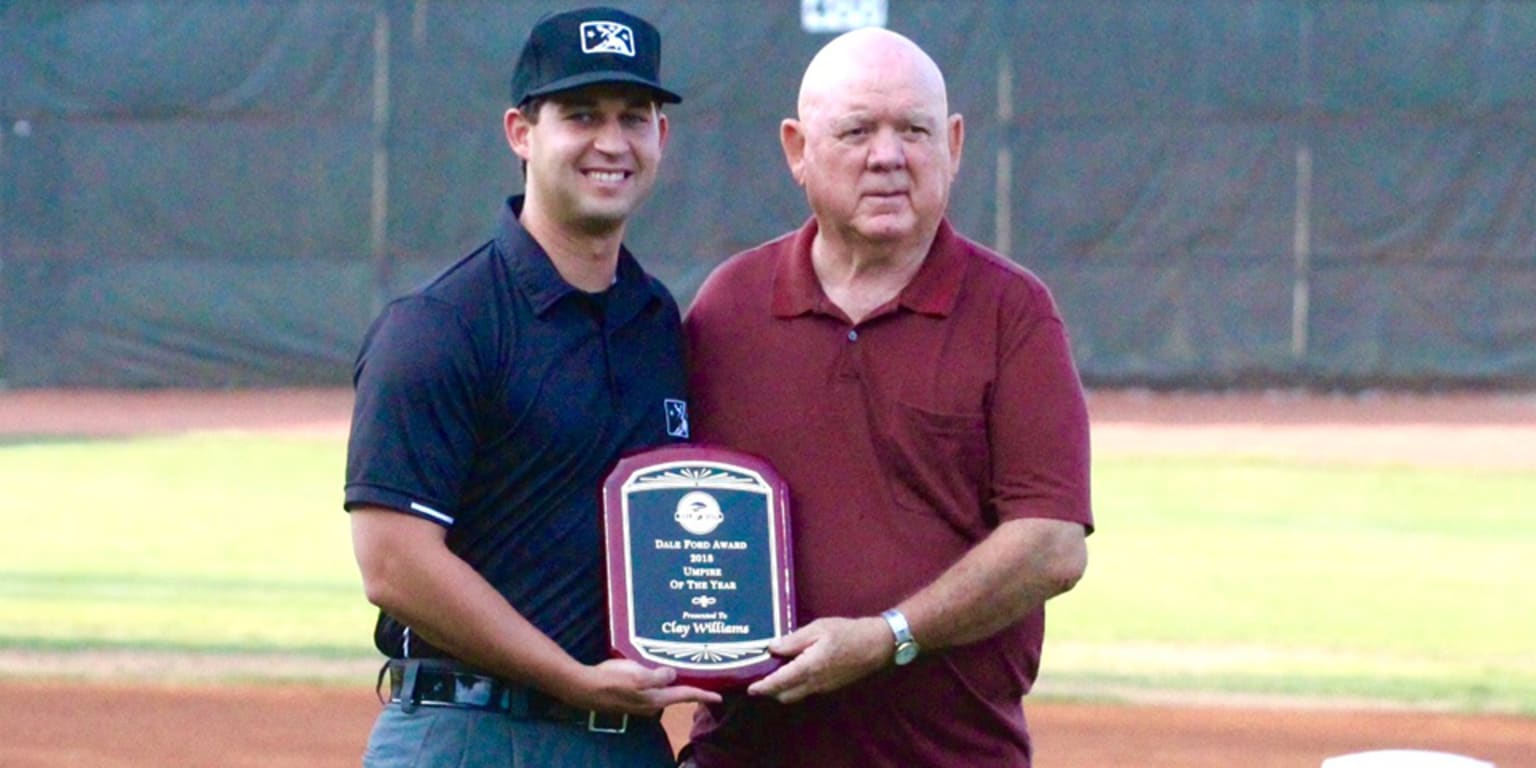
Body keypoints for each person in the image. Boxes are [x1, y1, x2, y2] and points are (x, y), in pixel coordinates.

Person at [681, 27, 1093, 767]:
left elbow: (1052, 544)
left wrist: (887, 637)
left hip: (948, 754)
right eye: (857, 130)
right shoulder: (728, 308)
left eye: (914, 130)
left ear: (954, 145)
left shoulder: (1013, 312)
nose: (888, 156)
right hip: (749, 752)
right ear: (797, 148)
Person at [343, 7, 720, 767]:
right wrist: (572, 679)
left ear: (661, 138)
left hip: (626, 740)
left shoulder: (657, 324)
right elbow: (393, 563)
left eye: (633, 117)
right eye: (581, 115)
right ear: (522, 132)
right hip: (470, 734)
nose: (611, 142)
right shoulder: (444, 323)